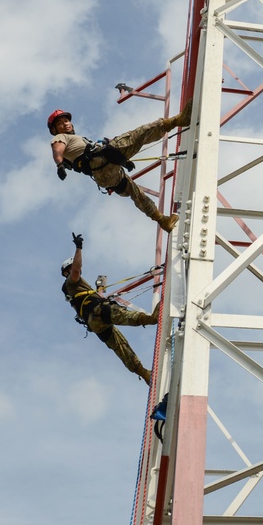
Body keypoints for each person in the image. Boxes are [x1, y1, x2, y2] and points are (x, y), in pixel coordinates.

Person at [48, 100, 192, 232]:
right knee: (138, 134)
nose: (65, 124)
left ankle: (162, 220)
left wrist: (122, 161)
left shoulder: (76, 140)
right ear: (55, 130)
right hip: (101, 159)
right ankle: (178, 120)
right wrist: (59, 165)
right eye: (60, 123)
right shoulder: (60, 138)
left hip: (103, 176)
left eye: (66, 120)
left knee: (135, 192)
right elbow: (57, 150)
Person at [61, 233, 158, 385]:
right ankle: (151, 319)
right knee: (122, 314)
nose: (79, 270)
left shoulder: (76, 292)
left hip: (95, 324)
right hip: (98, 313)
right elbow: (76, 269)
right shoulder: (71, 282)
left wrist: (100, 288)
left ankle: (144, 373)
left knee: (121, 347)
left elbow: (97, 297)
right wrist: (79, 248)